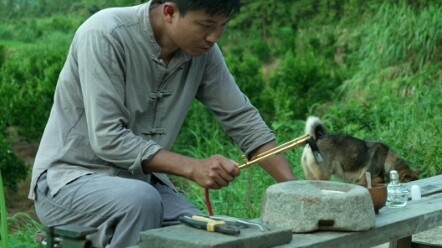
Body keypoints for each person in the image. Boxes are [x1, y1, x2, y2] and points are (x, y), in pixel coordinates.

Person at [29, 0, 296, 247]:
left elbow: (243, 120)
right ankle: (73, 238)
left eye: (222, 26)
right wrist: (192, 167)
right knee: (140, 203)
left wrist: (298, 191)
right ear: (170, 12)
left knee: (203, 231)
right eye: (206, 26)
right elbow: (108, 138)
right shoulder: (104, 33)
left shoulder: (204, 53)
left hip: (143, 184)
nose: (214, 37)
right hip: (67, 182)